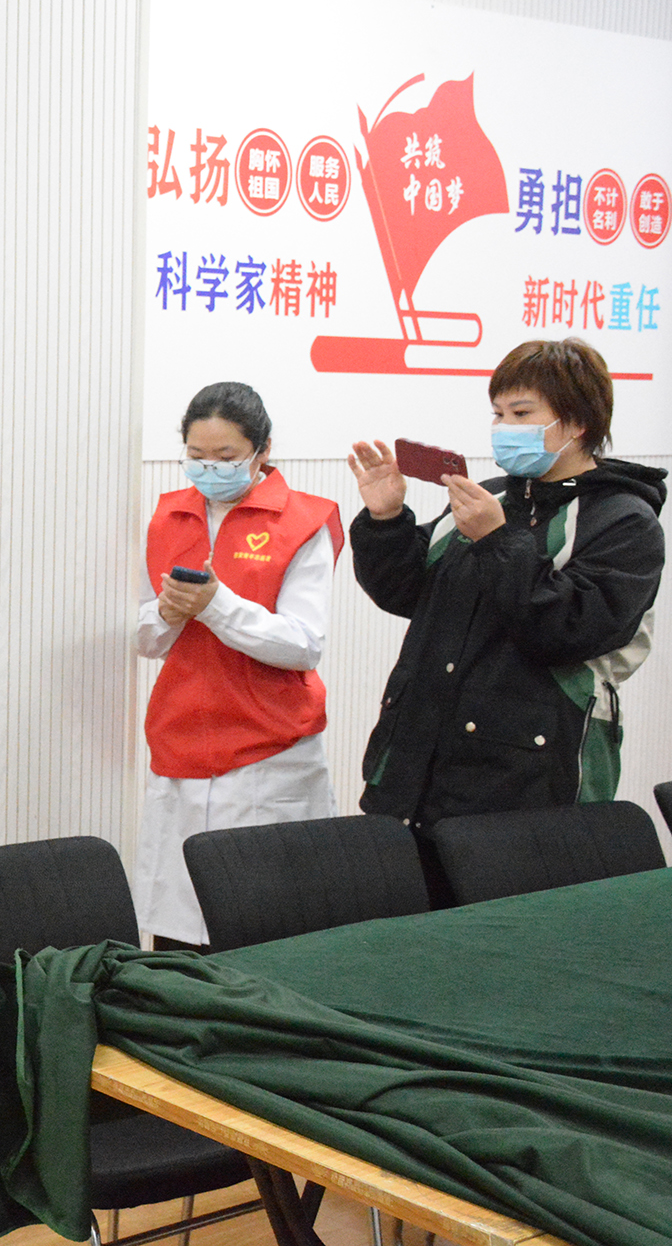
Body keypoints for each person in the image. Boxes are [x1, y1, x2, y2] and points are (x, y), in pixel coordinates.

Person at [350, 338, 665, 846]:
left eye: (521, 413)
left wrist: (497, 541)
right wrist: (386, 520)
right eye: (497, 414)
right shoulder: (491, 497)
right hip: (415, 770)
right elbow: (406, 593)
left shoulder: (624, 520)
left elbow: (566, 631)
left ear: (577, 423)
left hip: (527, 783)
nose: (503, 427)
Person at [134, 382, 342, 951]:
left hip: (270, 753)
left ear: (262, 450)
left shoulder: (303, 522)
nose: (210, 469)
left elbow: (304, 644)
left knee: (264, 933)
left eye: (225, 457)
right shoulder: (168, 517)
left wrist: (216, 605)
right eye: (196, 455)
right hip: (180, 743)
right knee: (178, 938)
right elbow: (146, 639)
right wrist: (167, 612)